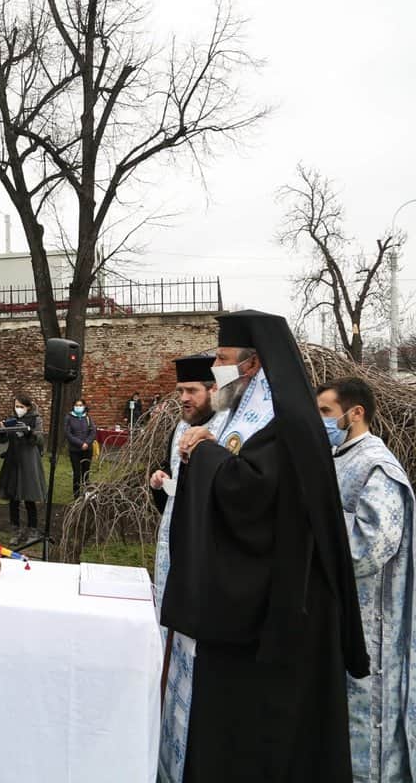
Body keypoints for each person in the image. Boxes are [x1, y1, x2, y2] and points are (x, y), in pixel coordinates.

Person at [160, 310, 368, 782]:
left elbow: (255, 496)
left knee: (268, 734)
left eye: (223, 358)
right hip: (250, 598)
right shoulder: (245, 410)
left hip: (282, 603)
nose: (216, 368)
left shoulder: (283, 417)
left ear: (251, 365)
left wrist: (206, 452)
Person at [316, 377, 416, 782]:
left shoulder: (377, 465)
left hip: (372, 621)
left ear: (354, 413)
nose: (320, 420)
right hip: (342, 613)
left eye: (326, 411)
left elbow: (371, 546)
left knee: (366, 723)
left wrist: (315, 525)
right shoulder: (338, 457)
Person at [146, 354, 228, 783]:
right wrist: (159, 482)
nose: (183, 399)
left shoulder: (224, 433)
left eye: (190, 391)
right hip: (170, 546)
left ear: (213, 391)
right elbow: (168, 488)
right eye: (180, 392)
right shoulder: (179, 428)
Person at [0, 394, 47, 543]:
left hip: (29, 460)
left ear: (28, 407)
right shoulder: (12, 419)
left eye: (21, 406)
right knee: (13, 497)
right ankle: (16, 530)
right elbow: (2, 440)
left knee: (29, 496)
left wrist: (28, 431)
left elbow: (39, 438)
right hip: (13, 459)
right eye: (16, 406)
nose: (18, 409)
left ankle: (33, 530)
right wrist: (3, 430)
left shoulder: (36, 419)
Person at [65, 398, 96, 497]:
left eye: (80, 405)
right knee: (77, 473)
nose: (78, 407)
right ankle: (77, 494)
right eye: (77, 405)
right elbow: (68, 434)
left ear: (84, 406)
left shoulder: (87, 417)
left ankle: (87, 492)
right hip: (75, 450)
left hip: (87, 449)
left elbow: (93, 431)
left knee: (86, 472)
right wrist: (80, 444)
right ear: (73, 406)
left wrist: (87, 443)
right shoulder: (69, 418)